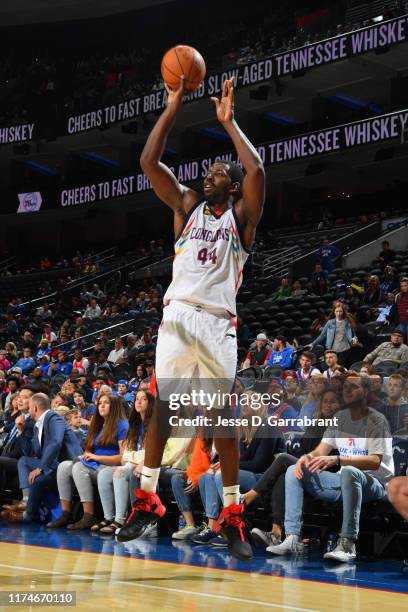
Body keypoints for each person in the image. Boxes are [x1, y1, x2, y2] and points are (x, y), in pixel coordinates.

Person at [116, 76, 265, 562]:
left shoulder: (240, 220)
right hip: (179, 315)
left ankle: (231, 514)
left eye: (220, 172)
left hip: (220, 321)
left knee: (222, 415)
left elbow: (257, 168)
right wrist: (173, 107)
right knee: (162, 405)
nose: (210, 175)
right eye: (208, 172)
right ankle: (146, 497)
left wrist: (228, 122)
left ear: (234, 187)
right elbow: (147, 163)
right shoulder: (186, 207)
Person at [267, 372, 394, 562]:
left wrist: (338, 460)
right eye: (346, 388)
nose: (348, 391)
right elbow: (320, 451)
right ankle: (292, 537)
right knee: (293, 470)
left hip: (375, 484)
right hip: (342, 481)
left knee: (351, 472)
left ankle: (348, 543)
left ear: (366, 392)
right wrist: (306, 457)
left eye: (354, 387)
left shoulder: (377, 420)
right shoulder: (340, 417)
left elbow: (375, 461)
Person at [246, 388, 342, 548]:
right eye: (325, 401)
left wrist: (300, 461)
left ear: (340, 405)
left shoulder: (340, 427)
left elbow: (331, 458)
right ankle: (276, 532)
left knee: (283, 459)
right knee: (285, 473)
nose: (328, 405)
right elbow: (301, 451)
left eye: (333, 402)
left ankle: (249, 497)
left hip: (326, 473)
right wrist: (298, 462)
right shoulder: (315, 425)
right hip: (305, 469)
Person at [47, 393, 128, 529]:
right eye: (100, 402)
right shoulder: (99, 424)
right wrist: (86, 455)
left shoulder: (122, 425)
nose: (101, 405)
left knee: (79, 468)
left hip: (110, 467)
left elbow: (123, 457)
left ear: (114, 406)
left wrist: (97, 457)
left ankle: (89, 515)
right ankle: (66, 514)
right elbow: (91, 449)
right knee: (63, 466)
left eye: (106, 403)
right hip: (95, 464)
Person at [1, 393, 82, 523]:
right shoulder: (37, 424)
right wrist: (20, 430)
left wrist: (40, 467)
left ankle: (29, 516)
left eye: (30, 407)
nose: (28, 410)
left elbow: (56, 442)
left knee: (38, 480)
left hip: (67, 466)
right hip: (53, 465)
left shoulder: (54, 418)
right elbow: (29, 453)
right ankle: (26, 501)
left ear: (35, 408)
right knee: (24, 461)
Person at [95, 390, 154, 534]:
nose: (138, 402)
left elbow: (152, 452)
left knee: (120, 473)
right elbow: (126, 454)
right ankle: (108, 517)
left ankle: (120, 520)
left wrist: (133, 460)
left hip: (148, 465)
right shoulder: (134, 424)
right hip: (131, 463)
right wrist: (131, 460)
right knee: (104, 475)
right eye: (137, 399)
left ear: (150, 403)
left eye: (143, 399)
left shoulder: (155, 424)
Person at [387, 277, 408, 341]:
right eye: (402, 286)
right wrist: (389, 318)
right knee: (398, 340)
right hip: (401, 321)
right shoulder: (398, 296)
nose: (403, 287)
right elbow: (394, 308)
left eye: (405, 285)